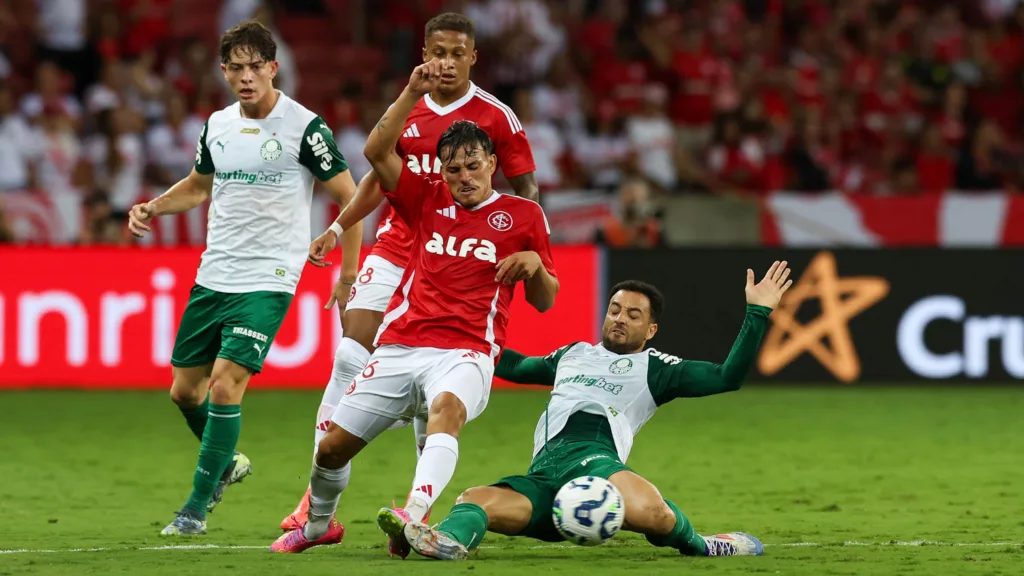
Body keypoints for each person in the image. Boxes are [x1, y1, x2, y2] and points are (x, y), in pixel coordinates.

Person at [270, 57, 558, 555]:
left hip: (467, 351)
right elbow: (375, 150)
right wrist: (409, 93)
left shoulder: (523, 216)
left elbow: (546, 301)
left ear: (492, 163)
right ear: (441, 171)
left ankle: (413, 517)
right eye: (454, 168)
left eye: (474, 165)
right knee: (331, 448)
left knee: (446, 410)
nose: (465, 176)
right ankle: (317, 526)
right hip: (402, 344)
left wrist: (534, 264)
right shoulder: (424, 198)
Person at [127, 19, 363, 536]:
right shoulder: (218, 125)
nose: (246, 76)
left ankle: (193, 509)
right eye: (236, 68)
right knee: (183, 392)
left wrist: (348, 272)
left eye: (256, 66)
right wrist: (154, 207)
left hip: (270, 275)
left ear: (274, 68)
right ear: (225, 73)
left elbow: (352, 198)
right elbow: (197, 186)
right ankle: (226, 464)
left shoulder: (306, 127)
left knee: (224, 387)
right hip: (216, 272)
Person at [401, 265, 795, 560]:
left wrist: (757, 313)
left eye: (633, 314)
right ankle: (444, 541)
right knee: (473, 500)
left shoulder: (658, 369)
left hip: (598, 466)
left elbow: (727, 376)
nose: (620, 318)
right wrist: (459, 338)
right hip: (544, 478)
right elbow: (515, 366)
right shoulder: (573, 355)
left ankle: (704, 546)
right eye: (615, 309)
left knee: (654, 513)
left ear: (652, 330)